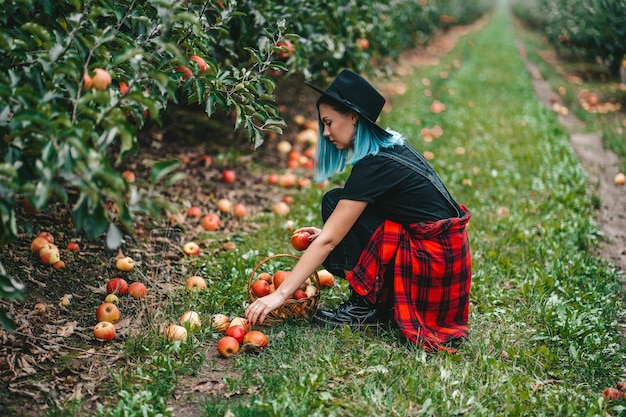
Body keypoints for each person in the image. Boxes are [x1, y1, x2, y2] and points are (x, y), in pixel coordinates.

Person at [245, 69, 472, 353]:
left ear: (353, 116)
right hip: (446, 259)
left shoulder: (374, 165)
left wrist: (278, 295)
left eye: (328, 123)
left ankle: (366, 308)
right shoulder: (391, 148)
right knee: (336, 202)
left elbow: (329, 241)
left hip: (433, 269)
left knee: (334, 206)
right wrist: (333, 232)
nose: (325, 133)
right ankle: (372, 302)